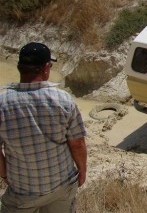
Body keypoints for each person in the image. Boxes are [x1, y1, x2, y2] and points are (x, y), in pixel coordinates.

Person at [0, 42, 87, 213]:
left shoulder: (2, 103)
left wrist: (4, 175)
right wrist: (82, 170)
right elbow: (77, 144)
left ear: (19, 67)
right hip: (61, 186)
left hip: (22, 189)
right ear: (46, 67)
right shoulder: (63, 100)